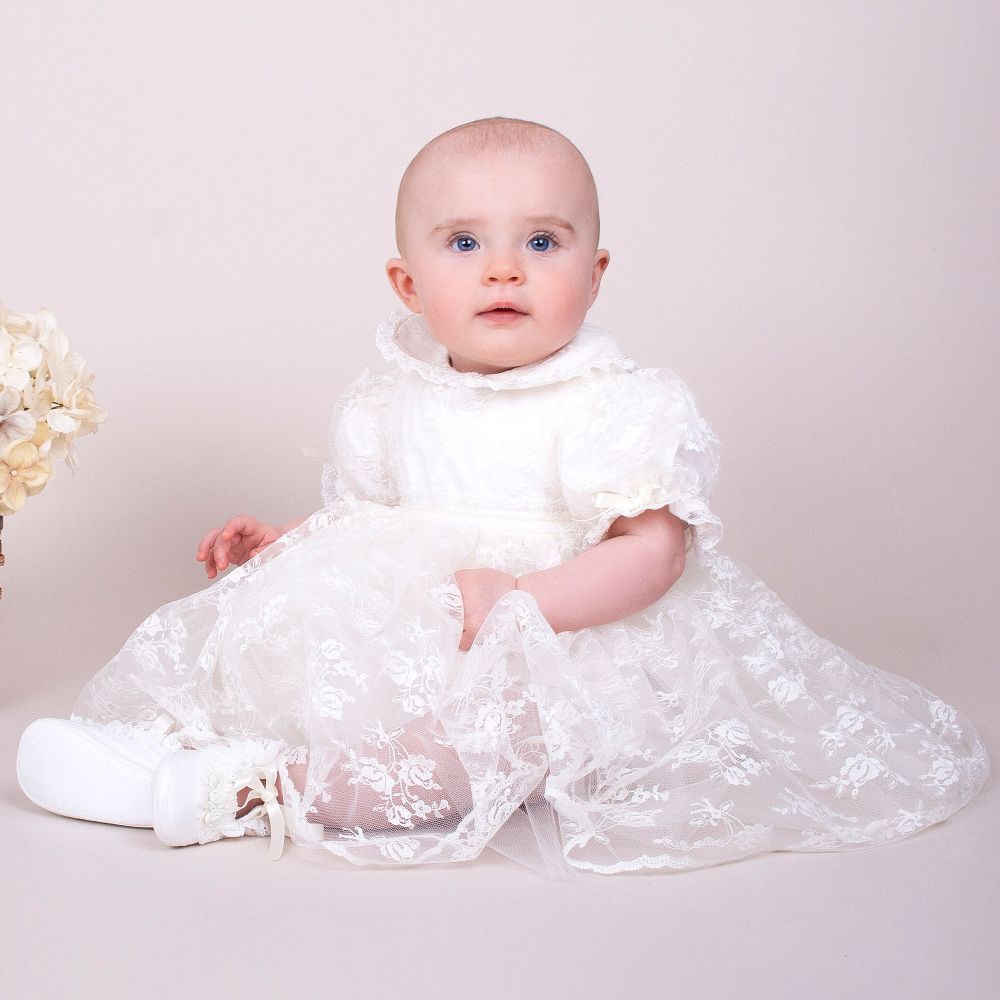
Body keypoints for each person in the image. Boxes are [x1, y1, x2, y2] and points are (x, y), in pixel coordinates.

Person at [16, 116, 990, 880]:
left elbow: (654, 553)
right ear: (406, 282)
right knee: (280, 652)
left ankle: (250, 791)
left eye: (542, 239)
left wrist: (529, 608)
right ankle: (164, 750)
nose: (503, 267)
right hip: (427, 625)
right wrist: (283, 540)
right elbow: (372, 517)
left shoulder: (613, 404)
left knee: (506, 727)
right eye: (464, 242)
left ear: (595, 270)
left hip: (570, 631)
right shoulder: (392, 400)